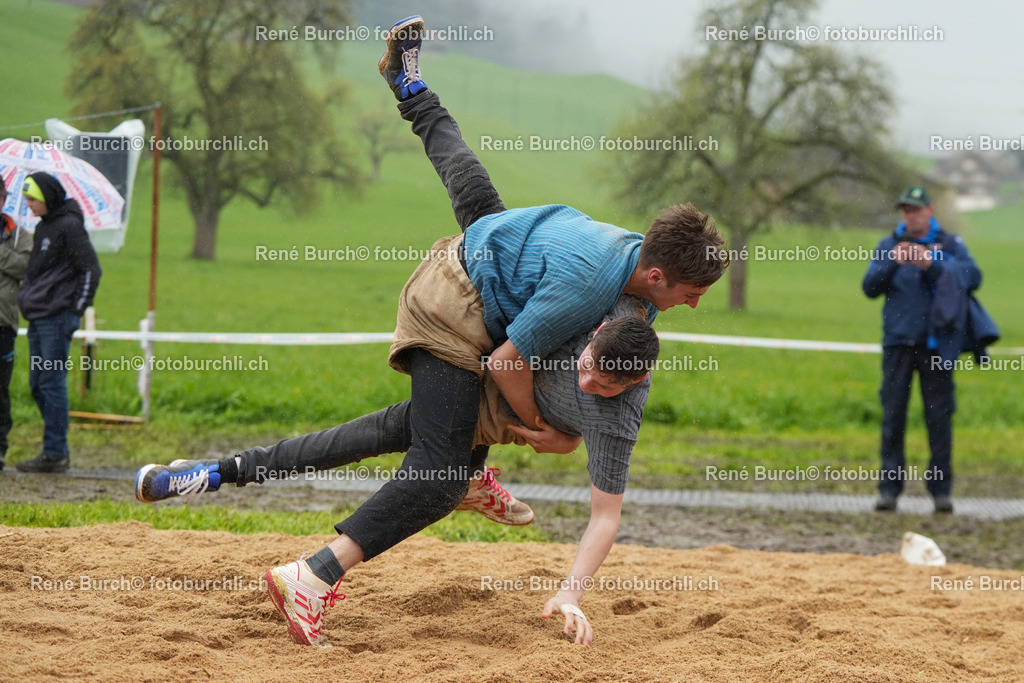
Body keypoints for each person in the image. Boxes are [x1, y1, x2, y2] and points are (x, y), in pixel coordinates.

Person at [135, 295, 660, 648]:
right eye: (587, 367)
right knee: (435, 480)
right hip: (456, 373)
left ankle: (207, 474)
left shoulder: (619, 417)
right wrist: (561, 435)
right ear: (596, 333)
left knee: (348, 442)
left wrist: (571, 591)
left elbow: (605, 516)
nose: (590, 386)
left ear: (636, 384)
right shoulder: (597, 300)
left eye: (609, 387)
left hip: (469, 418)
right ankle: (314, 573)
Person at [862, 186, 981, 514]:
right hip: (898, 345)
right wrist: (893, 264)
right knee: (893, 418)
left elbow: (973, 277)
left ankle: (941, 492)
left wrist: (933, 265)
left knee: (939, 419)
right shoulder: (889, 245)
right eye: (905, 210)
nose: (910, 215)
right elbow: (869, 288)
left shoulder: (950, 244)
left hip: (937, 347)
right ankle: (889, 491)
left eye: (915, 209)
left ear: (929, 210)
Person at [15, 172, 102, 473]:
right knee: (38, 385)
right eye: (26, 199)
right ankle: (54, 450)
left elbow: (91, 269)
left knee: (51, 383)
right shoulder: (43, 228)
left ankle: (55, 453)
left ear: (48, 197)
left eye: (32, 199)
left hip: (57, 319)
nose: (29, 206)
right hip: (38, 319)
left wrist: (75, 311)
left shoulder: (69, 227)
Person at [0, 181, 34, 471]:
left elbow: (25, 267)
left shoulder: (19, 234)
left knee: (0, 389)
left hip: (3, 322)